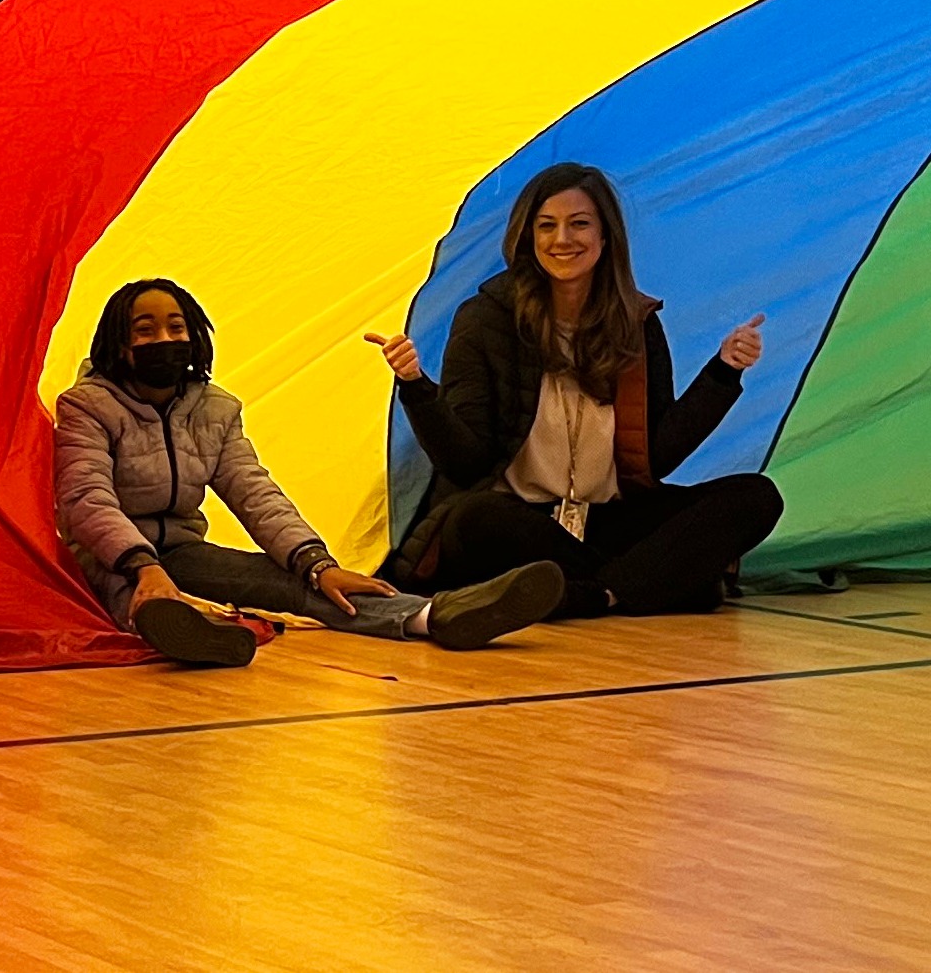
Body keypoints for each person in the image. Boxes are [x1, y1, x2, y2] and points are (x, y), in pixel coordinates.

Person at [55, 278, 563, 667]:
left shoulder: (213, 409)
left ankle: (432, 615)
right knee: (133, 593)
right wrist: (145, 566)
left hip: (184, 552)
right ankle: (180, 628)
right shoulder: (88, 407)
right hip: (108, 558)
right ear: (119, 346)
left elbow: (255, 493)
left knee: (300, 586)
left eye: (176, 327)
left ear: (194, 337)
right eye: (145, 330)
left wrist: (317, 563)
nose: (164, 338)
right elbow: (86, 499)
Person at [371, 163, 784, 617]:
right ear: (528, 237)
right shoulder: (485, 319)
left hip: (602, 519)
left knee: (756, 496)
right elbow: (464, 462)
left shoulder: (636, 324)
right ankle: (648, 584)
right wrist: (415, 387)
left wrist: (723, 373)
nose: (562, 239)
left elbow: (658, 456)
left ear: (605, 237)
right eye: (547, 226)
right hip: (520, 519)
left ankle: (591, 593)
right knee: (474, 519)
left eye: (579, 224)